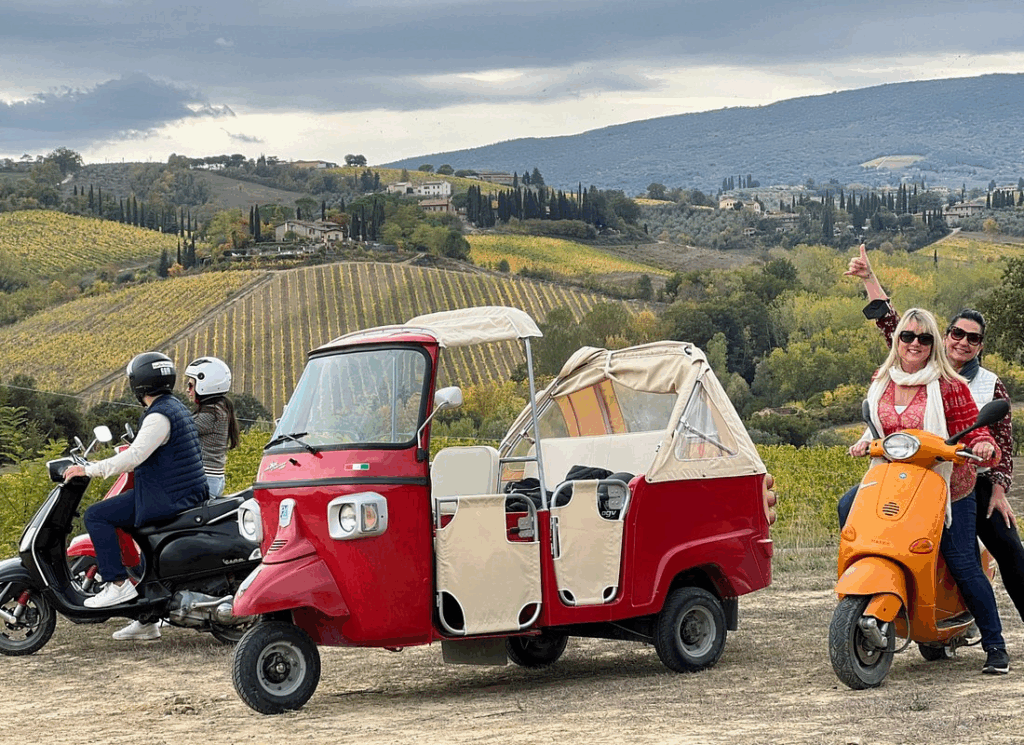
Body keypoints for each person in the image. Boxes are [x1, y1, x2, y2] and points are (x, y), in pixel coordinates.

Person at [844, 243, 1024, 627]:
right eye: (956, 333)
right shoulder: (916, 363)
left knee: (1008, 547)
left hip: (968, 479)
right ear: (944, 336)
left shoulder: (990, 385)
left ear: (980, 347)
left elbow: (1003, 445)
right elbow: (890, 322)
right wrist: (869, 279)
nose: (962, 342)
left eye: (972, 339)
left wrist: (998, 489)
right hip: (915, 475)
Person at [63, 352, 207, 637]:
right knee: (132, 532)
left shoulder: (159, 416)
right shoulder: (173, 407)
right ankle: (148, 620)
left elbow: (135, 456)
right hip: (179, 492)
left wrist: (90, 469)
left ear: (138, 384)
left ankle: (117, 585)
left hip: (167, 497)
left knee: (97, 515)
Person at [183, 356, 240, 498]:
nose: (187, 390)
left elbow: (180, 430)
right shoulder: (220, 409)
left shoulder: (210, 415)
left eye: (191, 385)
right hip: (212, 479)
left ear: (204, 385)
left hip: (204, 480)